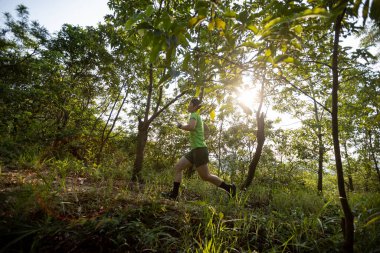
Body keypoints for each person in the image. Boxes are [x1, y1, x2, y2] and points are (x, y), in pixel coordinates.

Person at [163, 98, 236, 200]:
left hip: (199, 150)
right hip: (195, 150)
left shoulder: (193, 115)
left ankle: (229, 188)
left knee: (205, 176)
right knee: (178, 167)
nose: (188, 106)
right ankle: (174, 195)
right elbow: (205, 130)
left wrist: (180, 126)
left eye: (189, 104)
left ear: (194, 106)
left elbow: (191, 127)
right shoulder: (198, 117)